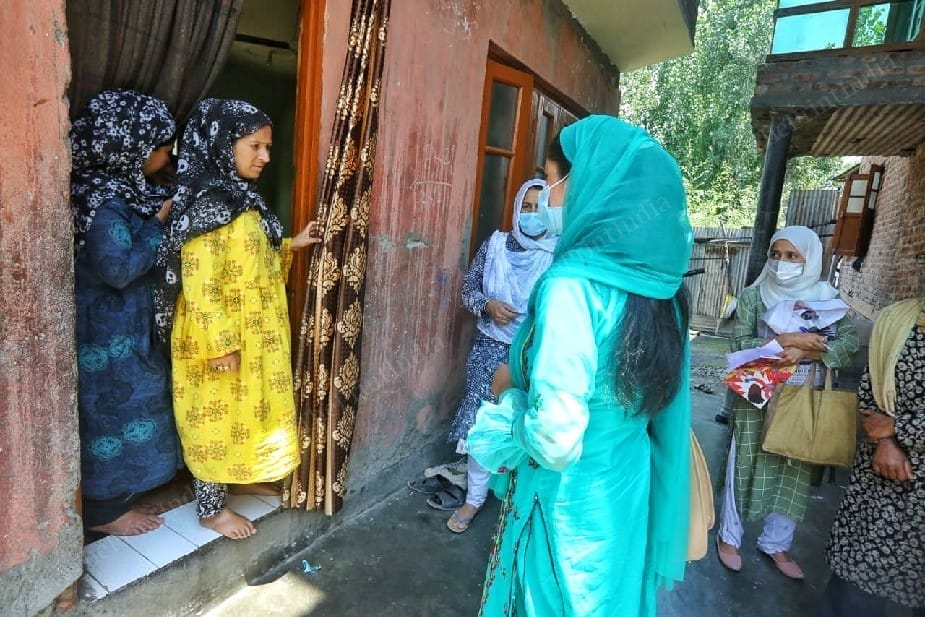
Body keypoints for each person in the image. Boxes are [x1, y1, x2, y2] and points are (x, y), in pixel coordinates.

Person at [466, 115, 694, 616]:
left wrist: (508, 392)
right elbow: (668, 420)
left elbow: (555, 441)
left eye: (550, 182)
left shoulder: (573, 287)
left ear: (587, 183)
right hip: (626, 497)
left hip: (566, 508)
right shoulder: (666, 292)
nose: (545, 199)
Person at [154, 99, 320, 540]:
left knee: (247, 411)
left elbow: (252, 260)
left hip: (254, 332)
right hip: (217, 336)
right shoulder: (206, 204)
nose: (264, 157)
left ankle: (243, 474)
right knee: (212, 417)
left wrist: (290, 245)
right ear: (221, 145)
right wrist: (221, 343)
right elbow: (201, 281)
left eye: (267, 147)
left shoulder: (241, 199)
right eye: (254, 146)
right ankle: (210, 509)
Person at [715, 226, 859, 579]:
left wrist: (810, 347)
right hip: (757, 393)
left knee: (795, 465)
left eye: (793, 256)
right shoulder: (755, 296)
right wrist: (780, 346)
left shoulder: (827, 297)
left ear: (810, 260)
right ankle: (729, 538)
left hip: (804, 393)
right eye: (776, 255)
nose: (782, 263)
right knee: (743, 463)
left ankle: (776, 544)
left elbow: (849, 341)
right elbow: (738, 343)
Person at [71, 89, 182, 536]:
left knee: (138, 403)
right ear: (130, 147)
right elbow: (117, 268)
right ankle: (103, 512)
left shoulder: (123, 191)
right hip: (104, 332)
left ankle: (126, 493)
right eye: (160, 145)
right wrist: (158, 225)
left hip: (128, 326)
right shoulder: (101, 200)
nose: (165, 155)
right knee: (110, 415)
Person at [424, 179, 557, 533]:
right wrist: (488, 305)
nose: (531, 214)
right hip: (489, 347)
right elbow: (468, 290)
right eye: (525, 207)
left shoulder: (559, 255)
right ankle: (474, 500)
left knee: (525, 426)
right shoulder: (497, 245)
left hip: (533, 354)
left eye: (538, 206)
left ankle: (517, 501)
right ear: (516, 208)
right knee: (482, 426)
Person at [819, 297, 924, 616]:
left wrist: (899, 428)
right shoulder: (897, 318)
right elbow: (872, 385)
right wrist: (887, 441)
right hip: (885, 473)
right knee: (856, 588)